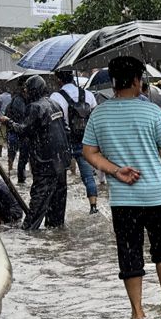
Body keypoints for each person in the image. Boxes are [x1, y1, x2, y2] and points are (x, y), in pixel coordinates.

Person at [81, 56, 161, 319]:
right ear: (137, 81)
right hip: (156, 195)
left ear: (113, 82)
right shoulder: (151, 111)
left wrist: (114, 169)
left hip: (123, 200)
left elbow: (89, 152)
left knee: (129, 253)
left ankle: (137, 312)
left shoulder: (99, 114)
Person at [12, 75, 70, 231]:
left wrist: (7, 122)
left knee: (36, 207)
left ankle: (29, 237)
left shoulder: (35, 107)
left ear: (33, 90)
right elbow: (66, 130)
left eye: (27, 90)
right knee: (57, 211)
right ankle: (56, 237)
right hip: (61, 162)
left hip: (45, 163)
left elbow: (24, 130)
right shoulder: (55, 104)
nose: (25, 93)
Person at [50, 69, 100, 214]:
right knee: (88, 176)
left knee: (60, 178)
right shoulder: (88, 95)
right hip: (84, 141)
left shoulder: (55, 97)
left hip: (64, 142)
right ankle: (93, 206)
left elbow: (53, 120)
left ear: (59, 80)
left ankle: (59, 212)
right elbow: (94, 118)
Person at [4, 84, 31, 184]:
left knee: (12, 153)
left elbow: (6, 114)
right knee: (23, 157)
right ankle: (21, 178)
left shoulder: (12, 102)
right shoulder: (21, 102)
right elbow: (23, 118)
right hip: (19, 132)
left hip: (13, 131)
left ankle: (11, 170)